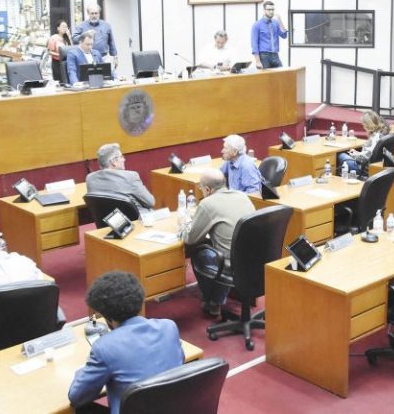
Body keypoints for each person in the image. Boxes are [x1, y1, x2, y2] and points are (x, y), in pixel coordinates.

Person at [68, 271, 183, 413]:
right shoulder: (169, 327)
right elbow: (180, 361)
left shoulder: (104, 348)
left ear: (106, 317)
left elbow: (76, 397)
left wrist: (81, 371)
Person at [181, 169, 255, 317]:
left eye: (201, 188)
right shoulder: (242, 196)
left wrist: (184, 225)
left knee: (199, 253)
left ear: (208, 190)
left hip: (231, 264)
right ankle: (218, 299)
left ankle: (213, 302)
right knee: (223, 249)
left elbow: (190, 239)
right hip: (254, 260)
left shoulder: (207, 204)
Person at [85, 143, 155, 211]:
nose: (124, 159)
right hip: (136, 218)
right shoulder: (130, 177)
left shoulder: (90, 178)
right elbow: (151, 202)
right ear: (114, 161)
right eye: (121, 156)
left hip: (107, 219)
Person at [336, 110, 391, 174]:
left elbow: (364, 159)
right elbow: (370, 154)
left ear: (367, 125)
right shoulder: (381, 134)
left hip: (363, 168)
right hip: (375, 166)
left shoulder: (374, 138)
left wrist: (353, 155)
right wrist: (358, 153)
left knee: (340, 155)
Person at [250, 1, 288, 69]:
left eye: (272, 9)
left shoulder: (276, 23)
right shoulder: (257, 25)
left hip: (275, 55)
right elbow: (254, 44)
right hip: (264, 56)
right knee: (265, 75)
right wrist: (257, 61)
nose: (271, 12)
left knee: (281, 73)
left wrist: (280, 20)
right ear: (264, 10)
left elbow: (284, 35)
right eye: (269, 9)